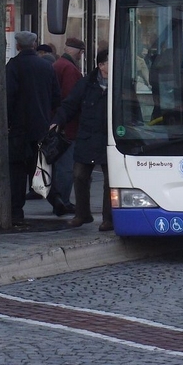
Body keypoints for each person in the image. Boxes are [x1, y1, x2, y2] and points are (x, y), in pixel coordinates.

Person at [51, 49, 113, 230]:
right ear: (101, 65)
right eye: (110, 62)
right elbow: (70, 104)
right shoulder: (86, 84)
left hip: (109, 140)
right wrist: (57, 122)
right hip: (87, 137)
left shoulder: (119, 83)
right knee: (79, 176)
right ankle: (82, 214)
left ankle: (108, 218)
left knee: (110, 180)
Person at [6, 31, 62, 226]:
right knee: (40, 167)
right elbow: (56, 96)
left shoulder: (13, 66)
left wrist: (8, 121)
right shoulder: (46, 66)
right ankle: (57, 201)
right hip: (41, 126)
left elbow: (9, 97)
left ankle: (16, 210)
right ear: (35, 44)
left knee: (17, 171)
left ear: (18, 46)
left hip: (19, 128)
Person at [50, 36, 86, 211]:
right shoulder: (70, 69)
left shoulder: (58, 65)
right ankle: (63, 200)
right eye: (81, 52)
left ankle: (58, 198)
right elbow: (71, 99)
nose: (81, 56)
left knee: (58, 165)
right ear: (78, 51)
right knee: (66, 166)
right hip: (67, 126)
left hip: (57, 122)